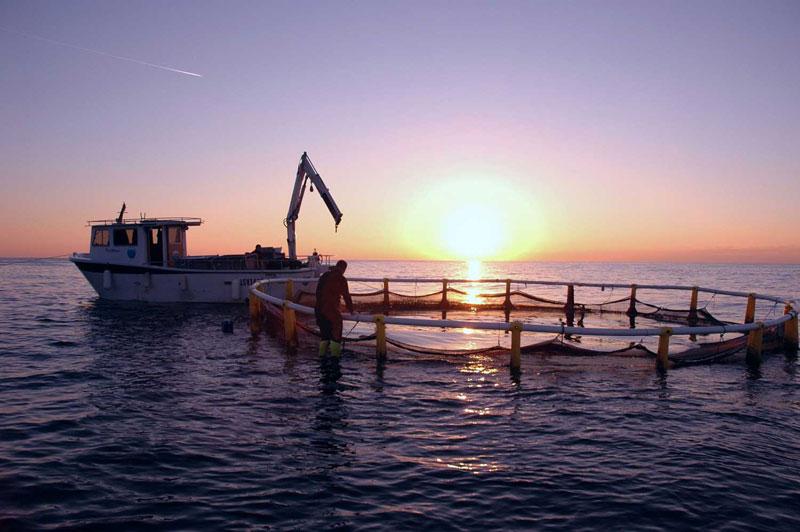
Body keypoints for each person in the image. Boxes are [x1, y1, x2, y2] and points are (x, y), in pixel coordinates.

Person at [315, 260, 354, 357]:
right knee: (336, 336)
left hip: (318, 310)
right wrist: (352, 310)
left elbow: (318, 292)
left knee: (325, 337)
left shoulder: (324, 276)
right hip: (329, 310)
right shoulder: (340, 278)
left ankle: (322, 358)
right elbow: (346, 296)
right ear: (344, 269)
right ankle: (335, 360)